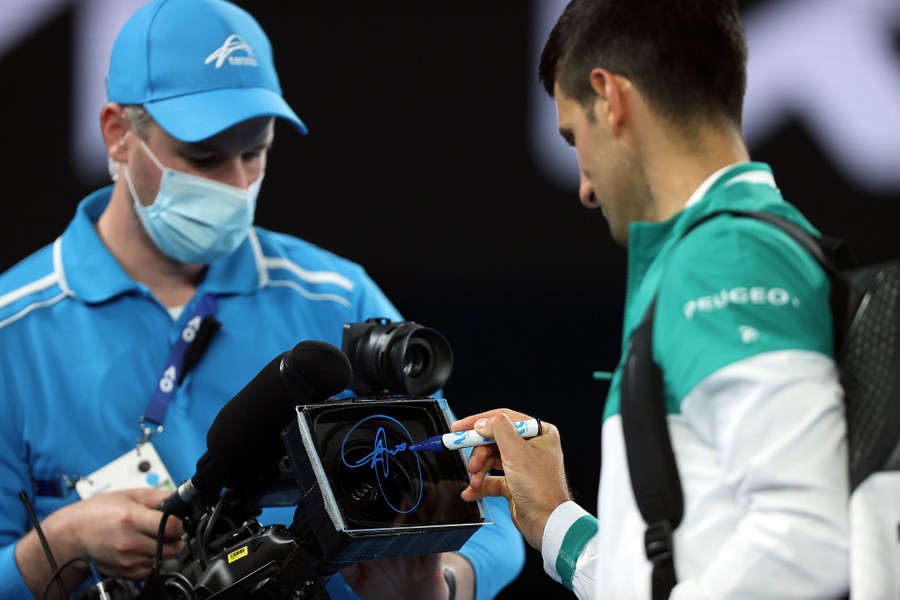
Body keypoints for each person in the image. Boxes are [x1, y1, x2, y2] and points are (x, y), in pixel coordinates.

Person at [0, 0, 523, 598]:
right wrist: (59, 545)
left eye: (255, 152)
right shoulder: (12, 331)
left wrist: (441, 586)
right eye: (203, 157)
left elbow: (482, 509)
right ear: (118, 135)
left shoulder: (336, 298)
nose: (237, 184)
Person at [454, 0, 850, 598]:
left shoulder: (727, 257)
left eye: (573, 137)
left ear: (610, 98)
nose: (585, 188)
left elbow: (810, 543)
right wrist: (556, 519)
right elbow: (677, 574)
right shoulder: (732, 250)